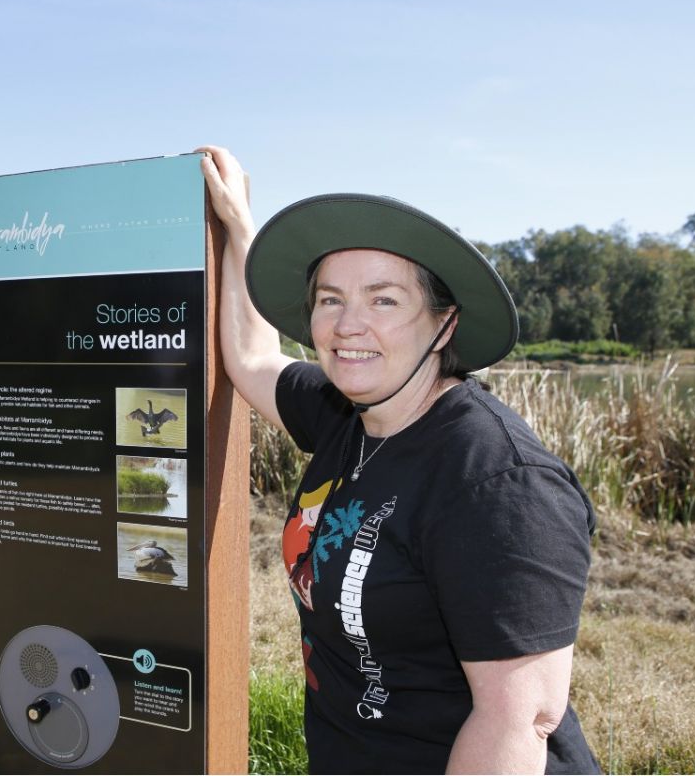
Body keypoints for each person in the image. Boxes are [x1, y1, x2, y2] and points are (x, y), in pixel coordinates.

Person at [198, 146, 601, 775]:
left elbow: (518, 720)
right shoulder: (345, 415)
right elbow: (253, 361)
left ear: (444, 325)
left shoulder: (497, 482)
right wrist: (238, 227)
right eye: (329, 300)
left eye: (383, 301)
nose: (346, 326)